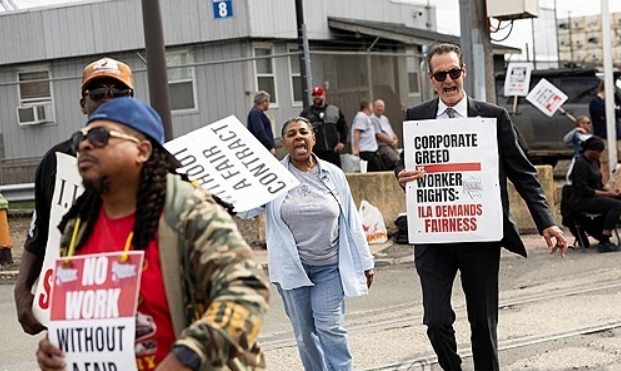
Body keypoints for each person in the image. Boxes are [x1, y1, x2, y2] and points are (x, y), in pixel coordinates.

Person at [35, 97, 270, 370]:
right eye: (80, 138)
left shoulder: (186, 212)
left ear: (142, 151)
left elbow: (247, 290)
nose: (84, 144)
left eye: (100, 136)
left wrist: (186, 358)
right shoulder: (77, 228)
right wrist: (55, 348)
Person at [394, 43, 568, 371]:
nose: (449, 80)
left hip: (480, 235)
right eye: (441, 74)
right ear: (431, 78)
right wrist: (401, 175)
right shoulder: (416, 117)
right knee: (435, 319)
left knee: (483, 325)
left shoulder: (493, 116)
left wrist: (547, 222)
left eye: (454, 72)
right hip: (434, 236)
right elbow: (406, 165)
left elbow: (523, 173)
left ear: (463, 72)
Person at [240, 116, 374, 370]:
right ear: (284, 143)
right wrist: (225, 193)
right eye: (291, 134)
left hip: (329, 267)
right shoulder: (273, 177)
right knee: (305, 334)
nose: (298, 137)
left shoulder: (333, 174)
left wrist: (365, 262)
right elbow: (246, 210)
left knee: (330, 327)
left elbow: (351, 219)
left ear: (313, 138)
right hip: (292, 269)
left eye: (303, 132)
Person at [14, 57, 135, 335]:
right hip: (74, 317)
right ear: (84, 104)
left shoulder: (154, 160)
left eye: (118, 93)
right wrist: (22, 292)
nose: (108, 99)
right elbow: (39, 234)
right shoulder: (57, 162)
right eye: (96, 93)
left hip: (138, 315)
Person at [569, 136, 621, 253]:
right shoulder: (580, 164)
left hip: (593, 196)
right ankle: (604, 240)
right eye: (598, 152)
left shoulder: (594, 162)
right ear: (591, 150)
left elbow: (598, 184)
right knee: (616, 205)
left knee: (618, 199)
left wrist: (611, 191)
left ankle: (605, 231)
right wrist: (607, 195)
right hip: (581, 200)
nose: (600, 155)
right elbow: (583, 189)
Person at [300, 86, 348, 168]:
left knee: (335, 175)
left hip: (333, 151)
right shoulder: (306, 113)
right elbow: (301, 131)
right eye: (314, 95)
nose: (317, 97)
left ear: (324, 96)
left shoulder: (334, 111)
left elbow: (343, 127)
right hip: (315, 152)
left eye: (319, 95)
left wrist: (342, 142)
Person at [589, 80, 621, 184]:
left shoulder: (612, 102)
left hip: (617, 137)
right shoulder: (596, 102)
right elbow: (606, 113)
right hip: (604, 137)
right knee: (605, 164)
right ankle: (602, 184)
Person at [351, 99, 385, 172]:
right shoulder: (361, 117)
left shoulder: (366, 117)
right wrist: (355, 149)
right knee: (376, 170)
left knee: (381, 168)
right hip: (365, 150)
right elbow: (357, 132)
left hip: (372, 150)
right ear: (368, 107)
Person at [371, 98, 400, 170]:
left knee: (402, 159)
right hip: (382, 146)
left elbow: (391, 131)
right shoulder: (372, 118)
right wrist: (391, 142)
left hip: (391, 145)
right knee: (396, 159)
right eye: (378, 106)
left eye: (382, 106)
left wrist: (395, 139)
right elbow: (378, 135)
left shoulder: (385, 118)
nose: (380, 108)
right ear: (374, 107)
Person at [563, 114, 593, 182]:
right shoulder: (576, 135)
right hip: (578, 158)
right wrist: (575, 130)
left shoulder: (591, 135)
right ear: (581, 124)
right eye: (588, 123)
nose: (590, 125)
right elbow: (566, 140)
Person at [247, 90, 276, 155]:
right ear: (264, 101)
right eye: (268, 101)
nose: (269, 103)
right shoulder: (255, 113)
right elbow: (260, 131)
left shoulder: (258, 113)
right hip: (262, 149)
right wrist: (270, 147)